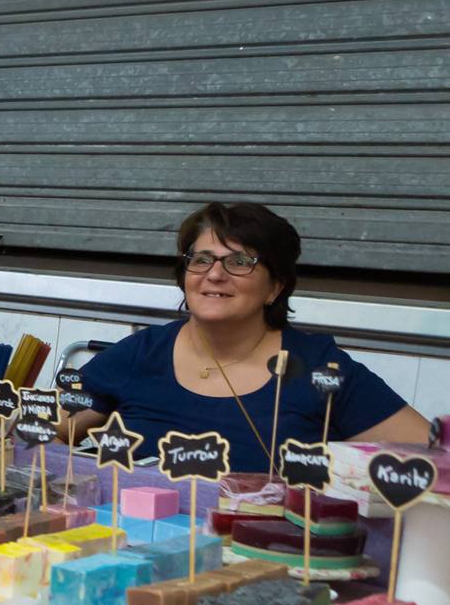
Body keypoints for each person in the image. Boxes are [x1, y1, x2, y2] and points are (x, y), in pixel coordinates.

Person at [69, 202, 430, 473]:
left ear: (275, 286)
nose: (214, 275)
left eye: (240, 263)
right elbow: (46, 431)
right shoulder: (139, 354)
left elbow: (433, 462)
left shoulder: (320, 368)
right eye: (201, 260)